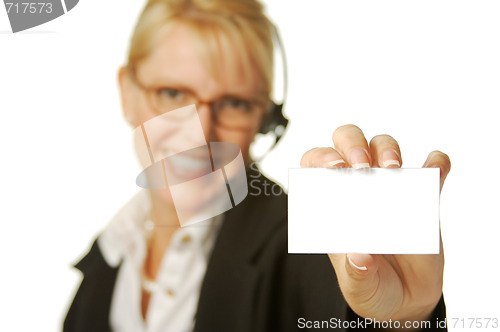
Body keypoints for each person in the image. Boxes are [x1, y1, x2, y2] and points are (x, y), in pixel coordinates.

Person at [63, 0, 451, 331]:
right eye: (172, 93)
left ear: (265, 121)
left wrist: (407, 320)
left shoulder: (313, 247)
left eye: (234, 103)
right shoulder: (106, 258)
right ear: (127, 94)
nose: (198, 133)